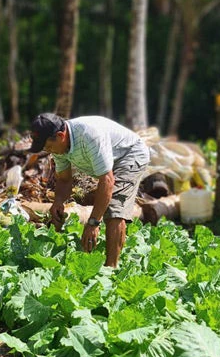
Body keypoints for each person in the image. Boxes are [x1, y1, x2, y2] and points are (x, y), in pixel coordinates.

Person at [29, 113, 150, 267]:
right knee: (101, 203)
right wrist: (58, 201)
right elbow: (65, 179)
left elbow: (107, 180)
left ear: (60, 136)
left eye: (49, 146)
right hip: (108, 162)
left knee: (114, 207)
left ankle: (111, 269)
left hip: (129, 154)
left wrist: (93, 223)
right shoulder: (59, 147)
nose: (48, 150)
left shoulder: (89, 136)